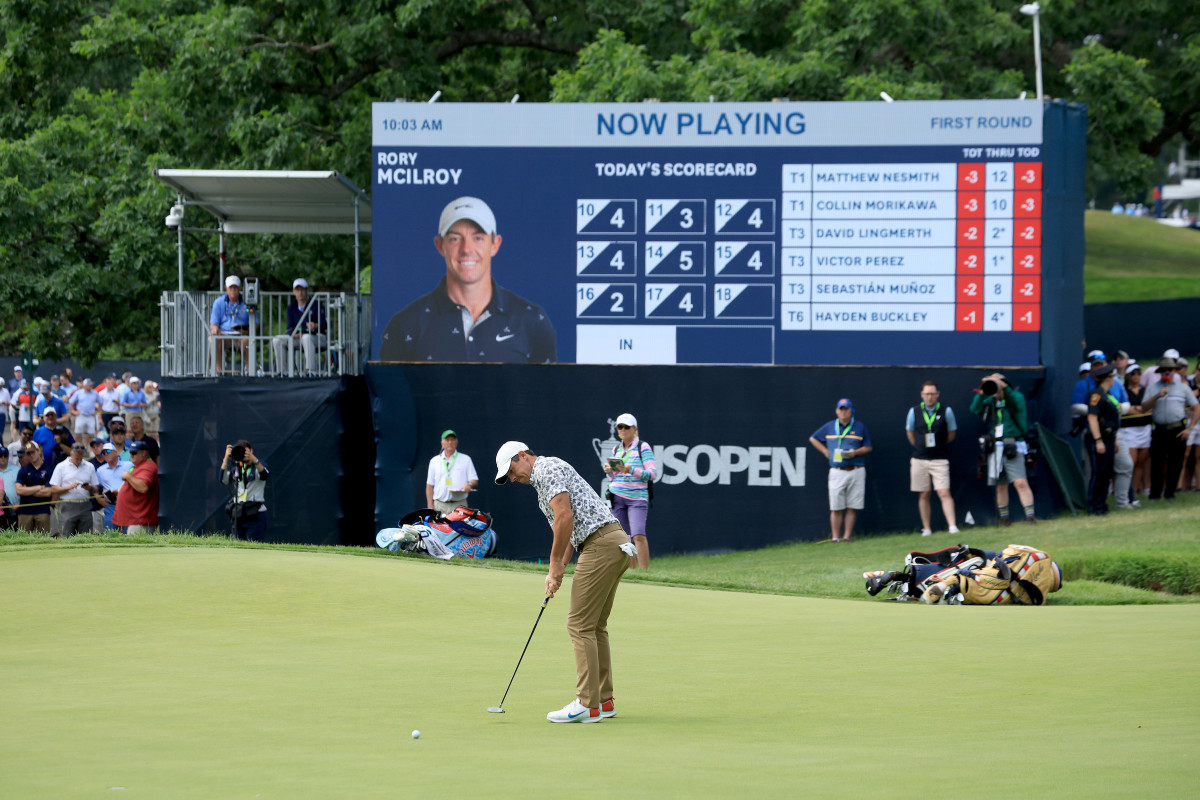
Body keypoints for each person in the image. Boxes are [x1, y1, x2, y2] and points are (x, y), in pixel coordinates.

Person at [494, 441, 630, 723]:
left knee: (579, 625)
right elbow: (565, 529)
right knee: (594, 626)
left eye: (511, 470)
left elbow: (565, 517)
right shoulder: (543, 480)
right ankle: (604, 701)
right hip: (612, 542)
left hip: (600, 545)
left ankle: (587, 704)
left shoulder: (546, 468)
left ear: (523, 456)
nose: (512, 478)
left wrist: (555, 565)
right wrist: (557, 571)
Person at [380, 196, 557, 363]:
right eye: (455, 238)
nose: (466, 249)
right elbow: (389, 394)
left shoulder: (531, 320)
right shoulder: (405, 325)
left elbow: (548, 392)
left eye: (478, 238)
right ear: (440, 246)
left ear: (495, 244)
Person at [969, 373, 1037, 525]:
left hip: (1013, 444)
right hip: (996, 447)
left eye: (998, 385)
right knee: (1000, 484)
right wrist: (982, 390)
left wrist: (1003, 387)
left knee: (1020, 482)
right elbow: (975, 409)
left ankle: (1030, 517)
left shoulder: (1016, 396)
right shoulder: (990, 400)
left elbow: (1016, 403)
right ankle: (1004, 519)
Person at [808, 398, 873, 542]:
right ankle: (835, 537)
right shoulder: (830, 426)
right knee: (836, 506)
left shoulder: (859, 427)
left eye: (846, 409)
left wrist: (855, 452)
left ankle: (846, 537)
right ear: (837, 411)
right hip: (837, 470)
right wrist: (825, 451)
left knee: (852, 506)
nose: (843, 412)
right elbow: (813, 439)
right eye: (841, 409)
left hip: (856, 469)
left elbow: (868, 447)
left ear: (851, 411)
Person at [603, 413, 657, 569]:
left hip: (637, 498)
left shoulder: (643, 447)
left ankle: (645, 573)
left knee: (638, 535)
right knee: (623, 539)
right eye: (620, 426)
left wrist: (631, 469)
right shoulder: (616, 448)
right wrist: (609, 471)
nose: (622, 430)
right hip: (616, 496)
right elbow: (614, 478)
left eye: (626, 427)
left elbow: (652, 474)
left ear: (635, 429)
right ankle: (632, 573)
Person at [905, 382, 959, 536]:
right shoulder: (914, 411)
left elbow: (951, 433)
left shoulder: (946, 411)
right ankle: (926, 528)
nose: (929, 397)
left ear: (937, 394)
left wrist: (940, 446)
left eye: (932, 394)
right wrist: (919, 446)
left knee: (944, 492)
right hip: (919, 459)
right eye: (926, 394)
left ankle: (952, 526)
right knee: (924, 493)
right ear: (922, 395)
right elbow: (910, 433)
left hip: (939, 459)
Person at [1142, 357, 1200, 500]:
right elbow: (1144, 408)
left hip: (1177, 429)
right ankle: (1155, 494)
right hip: (1160, 429)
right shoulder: (1153, 387)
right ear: (1160, 372)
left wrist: (1190, 428)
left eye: (1170, 369)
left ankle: (1170, 493)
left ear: (1174, 371)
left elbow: (1196, 407)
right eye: (1163, 370)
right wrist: (1157, 396)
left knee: (1176, 462)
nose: (1166, 372)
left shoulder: (1183, 388)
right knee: (1157, 462)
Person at [272, 278, 329, 377]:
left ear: (307, 291)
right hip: (298, 338)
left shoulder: (316, 304)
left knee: (306, 337)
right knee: (277, 340)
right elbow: (289, 328)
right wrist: (297, 332)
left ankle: (310, 371)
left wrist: (316, 326)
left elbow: (324, 324)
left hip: (318, 337)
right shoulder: (291, 307)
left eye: (302, 289)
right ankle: (282, 372)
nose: (300, 292)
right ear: (294, 292)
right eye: (297, 290)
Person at [1084, 366, 1121, 515]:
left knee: (1107, 472)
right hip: (1099, 438)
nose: (1113, 380)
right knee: (1098, 472)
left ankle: (1102, 503)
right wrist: (1098, 440)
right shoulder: (1096, 395)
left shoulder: (1108, 394)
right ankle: (1094, 506)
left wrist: (1115, 439)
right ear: (1108, 378)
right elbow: (1092, 418)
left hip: (1110, 437)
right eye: (1112, 377)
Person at [220, 439, 270, 540]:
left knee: (254, 546)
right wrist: (226, 458)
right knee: (237, 546)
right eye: (241, 452)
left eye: (246, 451)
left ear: (251, 450)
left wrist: (254, 459)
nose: (244, 455)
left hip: (255, 513)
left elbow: (264, 475)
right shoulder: (237, 468)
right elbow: (223, 479)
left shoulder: (259, 465)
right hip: (239, 513)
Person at [48, 442, 99, 536]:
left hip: (85, 505)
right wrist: (70, 487)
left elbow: (95, 488)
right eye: (76, 458)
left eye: (81, 458)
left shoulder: (89, 466)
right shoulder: (61, 466)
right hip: (67, 505)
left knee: (86, 536)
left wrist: (89, 488)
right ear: (71, 453)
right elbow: (54, 489)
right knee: (66, 534)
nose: (79, 461)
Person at [424, 430, 478, 516]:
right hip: (439, 505)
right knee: (439, 529)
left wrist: (469, 484)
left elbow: (474, 480)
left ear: (456, 442)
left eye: (453, 439)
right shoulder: (434, 461)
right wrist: (430, 505)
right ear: (442, 443)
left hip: (460, 505)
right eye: (447, 440)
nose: (450, 442)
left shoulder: (466, 459)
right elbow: (430, 485)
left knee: (459, 529)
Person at [112, 440, 158, 534]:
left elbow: (143, 487)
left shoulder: (148, 467)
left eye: (134, 453)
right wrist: (120, 493)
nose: (131, 455)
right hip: (136, 519)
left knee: (135, 548)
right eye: (130, 452)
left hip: (142, 521)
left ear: (143, 453)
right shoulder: (140, 466)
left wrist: (128, 476)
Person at [209, 275, 250, 372]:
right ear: (226, 288)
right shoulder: (218, 302)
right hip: (223, 334)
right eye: (230, 287)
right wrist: (215, 329)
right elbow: (213, 324)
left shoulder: (248, 302)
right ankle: (218, 369)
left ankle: (249, 369)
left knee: (247, 341)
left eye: (235, 287)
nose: (233, 290)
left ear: (240, 288)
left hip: (241, 335)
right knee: (214, 339)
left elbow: (255, 322)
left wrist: (247, 329)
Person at [15, 442, 53, 532]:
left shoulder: (48, 469)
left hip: (42, 510)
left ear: (38, 451)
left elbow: (48, 492)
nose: (31, 455)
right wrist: (40, 487)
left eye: (33, 452)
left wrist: (27, 489)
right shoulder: (23, 470)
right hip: (25, 511)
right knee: (23, 540)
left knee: (43, 540)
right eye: (28, 453)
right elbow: (19, 491)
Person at [95, 443, 132, 531]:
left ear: (115, 452)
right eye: (103, 453)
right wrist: (99, 498)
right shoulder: (100, 471)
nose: (106, 454)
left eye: (108, 451)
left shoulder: (128, 465)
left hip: (127, 504)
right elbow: (96, 487)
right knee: (111, 534)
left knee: (130, 534)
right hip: (111, 506)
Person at [0, 448, 19, 530]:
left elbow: (24, 487)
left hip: (14, 508)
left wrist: (19, 505)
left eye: (5, 455)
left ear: (8, 457)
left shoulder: (17, 470)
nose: (3, 458)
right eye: (0, 455)